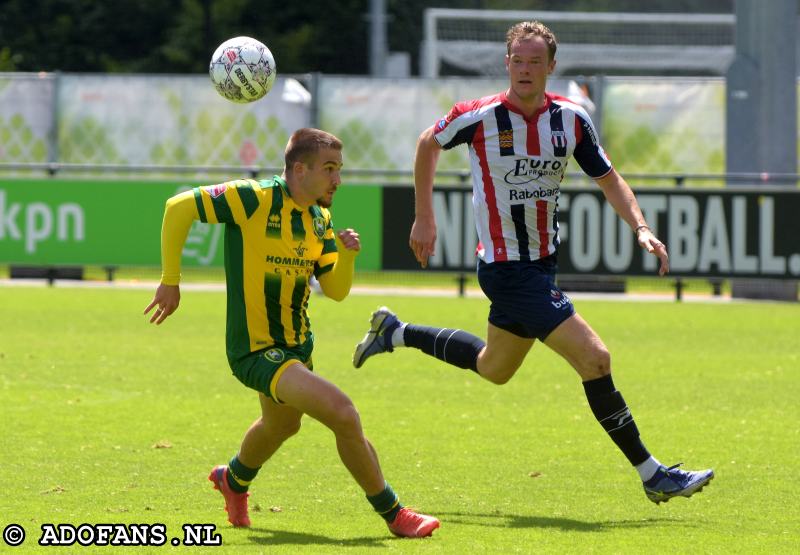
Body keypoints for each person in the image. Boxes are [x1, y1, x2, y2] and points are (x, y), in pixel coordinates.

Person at [353, 21, 714, 505]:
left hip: (542, 265)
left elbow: (609, 179)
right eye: (517, 61)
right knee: (596, 359)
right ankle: (653, 474)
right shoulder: (478, 116)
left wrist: (641, 228)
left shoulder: (570, 120)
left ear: (551, 67)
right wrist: (424, 216)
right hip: (506, 269)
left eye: (534, 62)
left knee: (493, 367)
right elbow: (427, 144)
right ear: (507, 64)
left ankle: (395, 331)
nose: (525, 70)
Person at [145, 128, 439, 538]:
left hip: (298, 347)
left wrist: (348, 257)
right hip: (255, 350)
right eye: (329, 169)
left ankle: (233, 479)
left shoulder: (320, 219)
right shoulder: (254, 199)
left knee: (283, 426)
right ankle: (395, 514)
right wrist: (171, 280)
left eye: (339, 169)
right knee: (343, 413)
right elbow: (177, 208)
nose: (338, 179)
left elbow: (335, 291)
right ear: (299, 169)